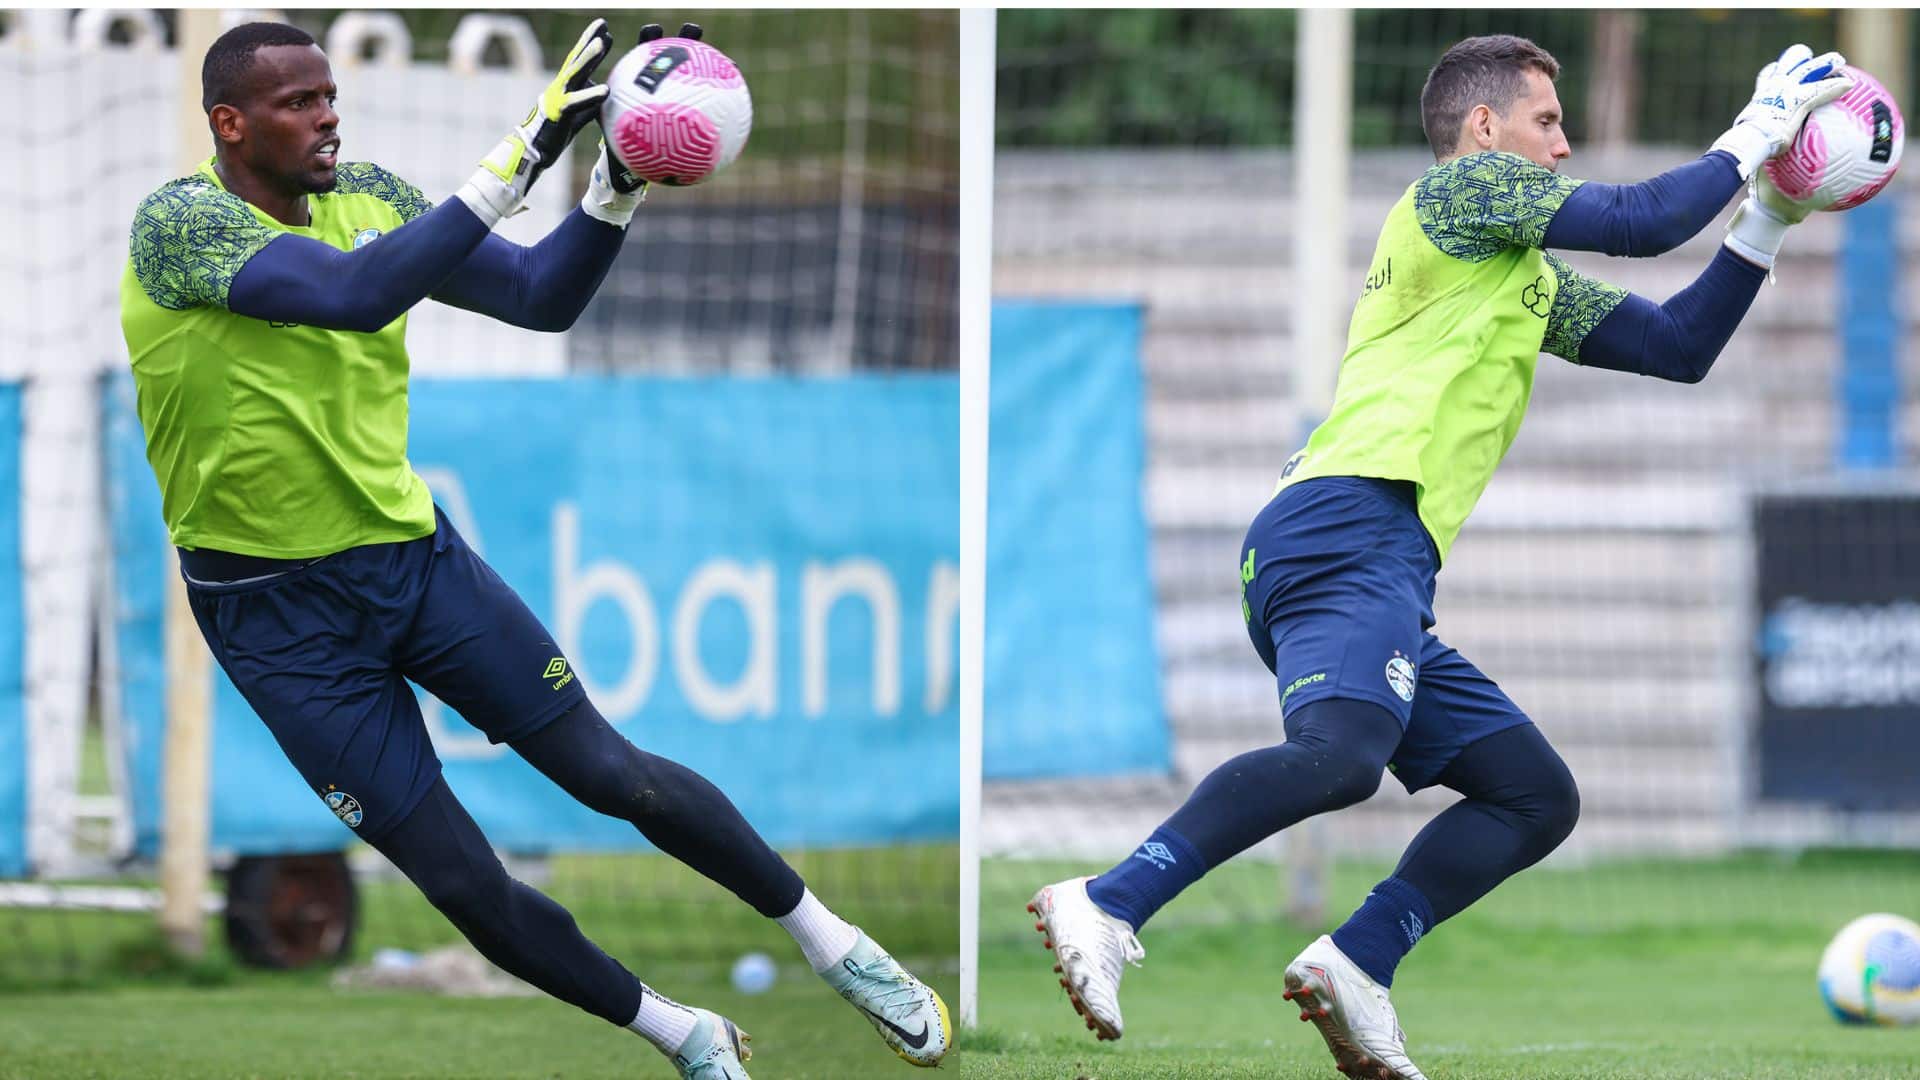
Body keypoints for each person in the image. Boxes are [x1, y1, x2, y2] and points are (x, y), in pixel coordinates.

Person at [120, 20, 949, 1080]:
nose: (327, 115)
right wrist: (525, 149)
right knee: (461, 881)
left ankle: (841, 950)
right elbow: (350, 296)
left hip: (413, 564)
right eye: (296, 103)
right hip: (272, 617)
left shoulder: (370, 194)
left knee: (615, 774)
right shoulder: (180, 226)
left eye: (330, 95)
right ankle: (684, 1034)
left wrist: (615, 179)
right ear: (229, 124)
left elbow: (538, 298)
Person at [1028, 36, 1850, 1080]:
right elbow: (1642, 223)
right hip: (1345, 525)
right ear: (1482, 128)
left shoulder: (1522, 281)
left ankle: (1359, 963)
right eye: (1546, 123)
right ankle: (1106, 899)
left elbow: (1680, 348)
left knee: (1532, 796)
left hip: (1379, 558)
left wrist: (1769, 217)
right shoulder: (1461, 196)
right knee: (1341, 760)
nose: (1561, 147)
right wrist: (1755, 128)